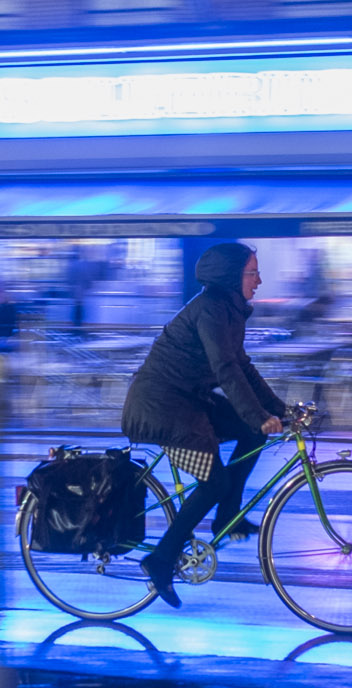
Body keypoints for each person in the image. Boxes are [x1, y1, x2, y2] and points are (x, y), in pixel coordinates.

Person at [120, 243, 286, 608]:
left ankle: (229, 515)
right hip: (162, 407)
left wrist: (279, 410)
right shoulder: (211, 311)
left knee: (250, 433)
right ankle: (161, 559)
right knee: (214, 482)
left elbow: (242, 366)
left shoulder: (227, 310)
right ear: (231, 277)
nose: (259, 280)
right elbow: (226, 371)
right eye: (252, 272)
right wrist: (260, 416)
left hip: (187, 400)